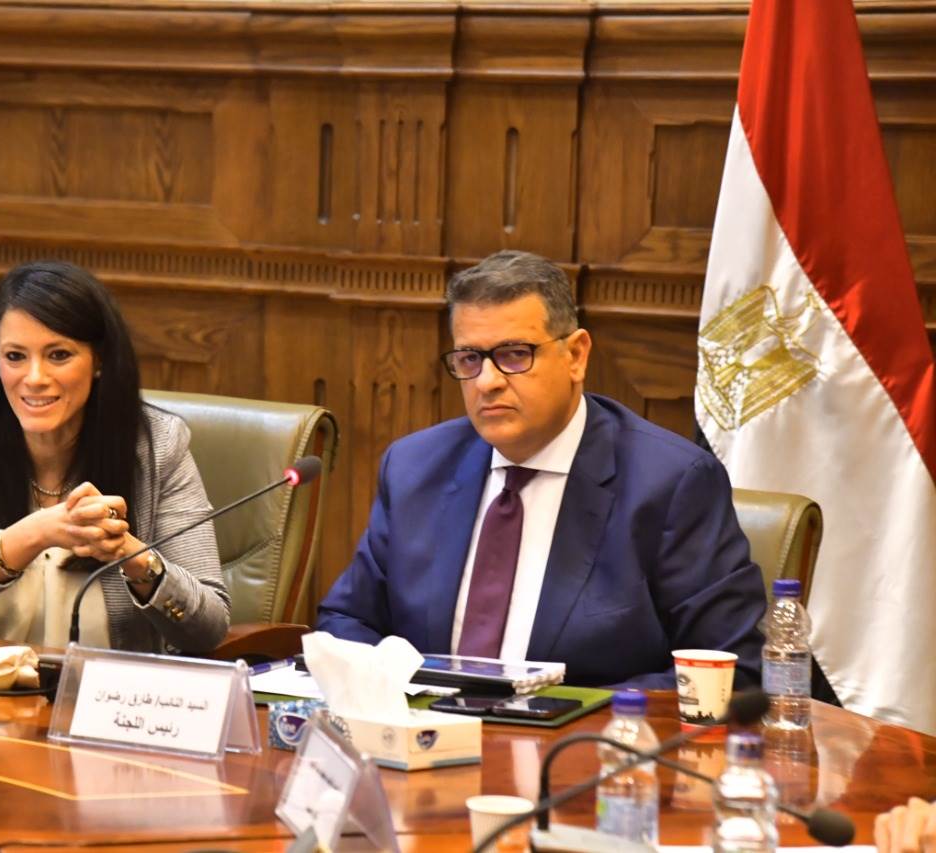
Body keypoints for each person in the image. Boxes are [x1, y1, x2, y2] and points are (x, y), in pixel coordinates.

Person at [316, 250, 766, 688]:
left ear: (576, 356)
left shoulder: (670, 484)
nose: (487, 382)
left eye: (515, 354)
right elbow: (347, 620)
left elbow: (730, 671)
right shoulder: (415, 468)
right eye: (470, 358)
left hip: (586, 736)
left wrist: (575, 717)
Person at [0, 261, 229, 654]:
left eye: (58, 355)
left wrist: (131, 556)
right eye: (15, 356)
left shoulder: (157, 445)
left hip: (108, 689)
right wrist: (36, 533)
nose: (35, 377)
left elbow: (210, 627)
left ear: (99, 359)